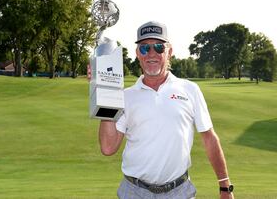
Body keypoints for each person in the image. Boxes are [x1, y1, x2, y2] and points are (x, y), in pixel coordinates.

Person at [99, 21, 234, 199]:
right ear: (137, 54)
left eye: (159, 47)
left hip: (179, 191)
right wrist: (105, 91)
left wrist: (225, 185)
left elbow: (209, 138)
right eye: (145, 48)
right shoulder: (125, 96)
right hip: (134, 192)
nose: (151, 54)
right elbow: (108, 147)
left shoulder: (190, 89)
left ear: (169, 52)